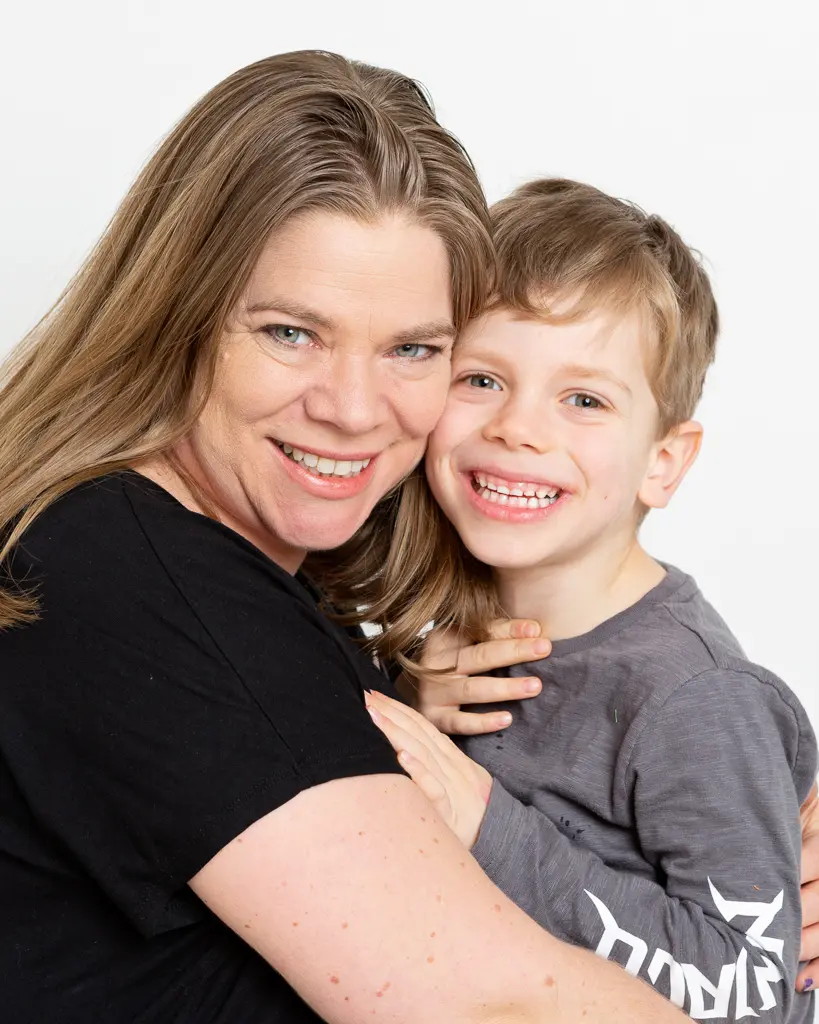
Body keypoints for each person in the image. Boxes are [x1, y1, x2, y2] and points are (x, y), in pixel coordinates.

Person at [0, 53, 698, 1024]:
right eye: (291, 333)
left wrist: (722, 821)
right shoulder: (137, 581)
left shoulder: (244, 583)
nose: (354, 409)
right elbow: (496, 1007)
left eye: (412, 348)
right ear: (174, 317)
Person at [361, 178, 818, 1022]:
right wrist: (409, 701)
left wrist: (485, 820)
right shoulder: (440, 642)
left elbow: (754, 995)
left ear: (663, 462)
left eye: (583, 399)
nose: (517, 427)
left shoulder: (695, 698)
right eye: (481, 379)